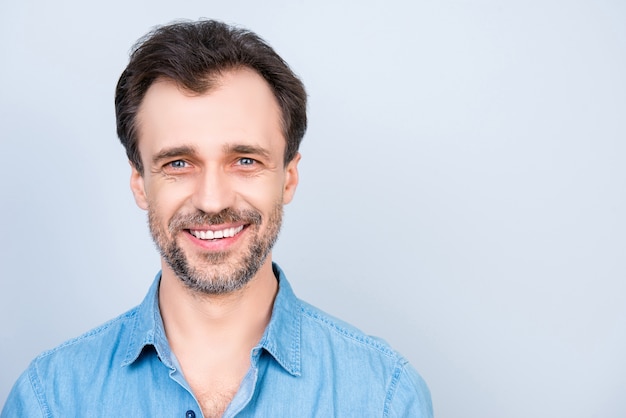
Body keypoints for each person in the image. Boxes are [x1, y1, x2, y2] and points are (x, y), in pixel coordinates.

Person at [1, 20, 432, 417]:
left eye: (244, 160)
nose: (211, 200)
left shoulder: (384, 397)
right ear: (139, 183)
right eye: (178, 163)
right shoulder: (51, 399)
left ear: (288, 178)